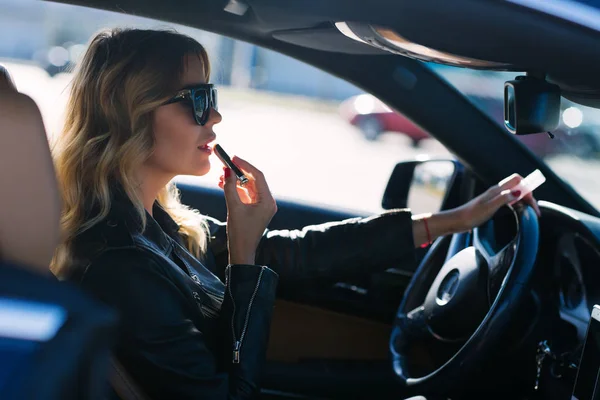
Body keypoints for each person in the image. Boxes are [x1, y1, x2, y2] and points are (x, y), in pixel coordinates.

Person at [49, 28, 539, 400]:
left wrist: (452, 220)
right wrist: (243, 254)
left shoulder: (155, 225)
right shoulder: (119, 264)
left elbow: (300, 253)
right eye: (198, 101)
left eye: (212, 97)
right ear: (131, 114)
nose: (215, 117)